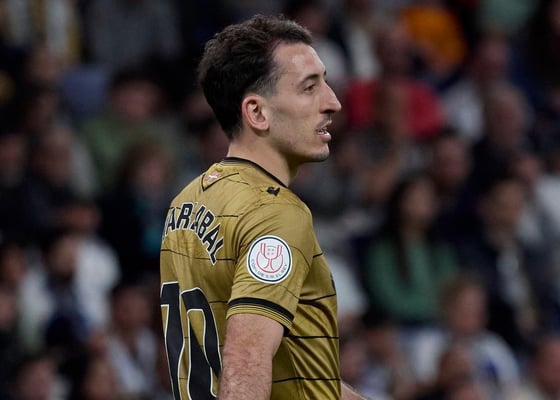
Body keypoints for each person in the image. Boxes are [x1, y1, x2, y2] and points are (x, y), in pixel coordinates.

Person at [159, 14, 367, 400]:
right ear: (257, 113)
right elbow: (247, 358)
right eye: (309, 87)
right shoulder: (275, 213)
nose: (333, 102)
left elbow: (293, 375)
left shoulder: (187, 202)